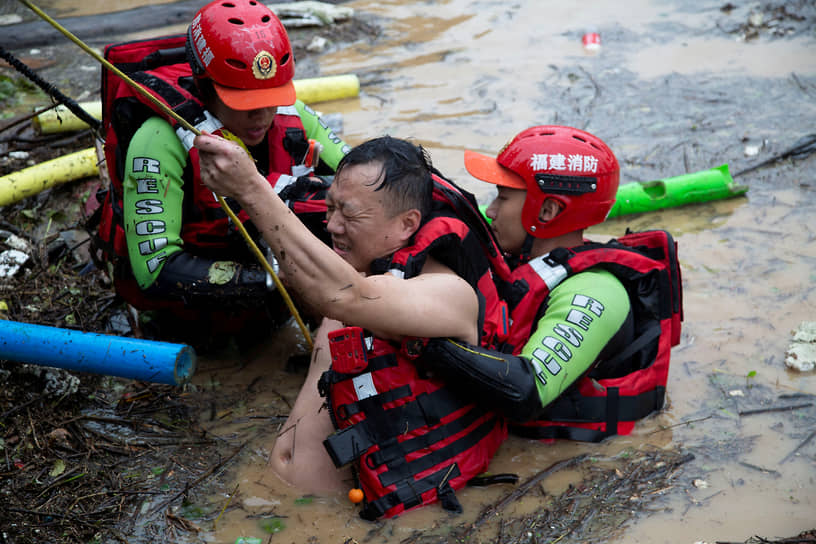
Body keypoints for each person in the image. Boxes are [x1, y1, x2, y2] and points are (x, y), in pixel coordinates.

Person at [194, 133, 509, 519]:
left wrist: (250, 188)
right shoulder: (353, 273)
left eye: (349, 213)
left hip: (345, 522)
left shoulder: (447, 293)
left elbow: (346, 296)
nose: (331, 225)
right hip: (286, 503)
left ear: (408, 223)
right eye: (329, 209)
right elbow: (319, 283)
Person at [91, 0, 350, 345]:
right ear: (206, 84)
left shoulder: (292, 116)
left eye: (271, 97)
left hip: (281, 291)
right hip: (190, 323)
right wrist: (271, 280)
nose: (261, 115)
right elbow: (153, 270)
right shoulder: (156, 140)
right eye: (244, 101)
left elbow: (363, 180)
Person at [419, 125, 683, 442]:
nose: (491, 211)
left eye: (502, 198)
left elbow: (523, 392)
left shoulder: (594, 291)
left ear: (547, 211)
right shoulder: (522, 263)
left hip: (587, 456)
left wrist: (427, 344)